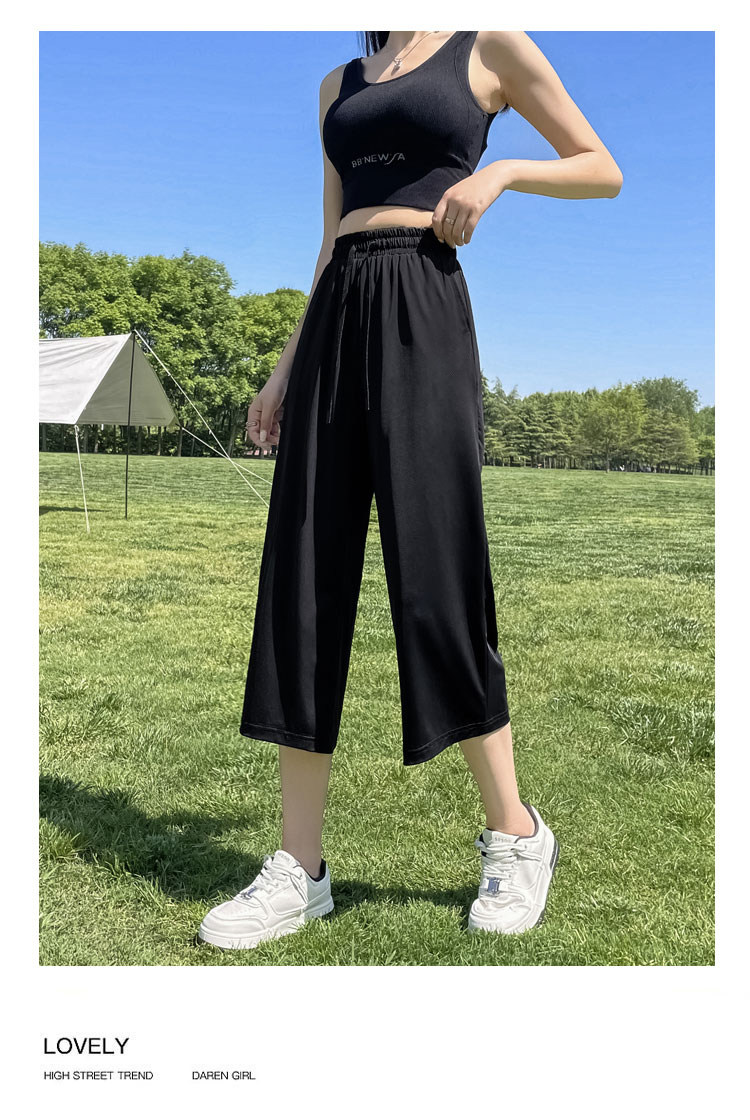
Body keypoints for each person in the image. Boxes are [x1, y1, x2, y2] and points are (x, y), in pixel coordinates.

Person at [199, 31, 622, 951]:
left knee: (437, 575)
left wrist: (499, 173)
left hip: (421, 302)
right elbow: (328, 239)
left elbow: (602, 168)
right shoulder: (337, 85)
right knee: (303, 583)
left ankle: (516, 831)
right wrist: (284, 368)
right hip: (337, 314)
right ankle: (300, 868)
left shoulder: (488, 45)